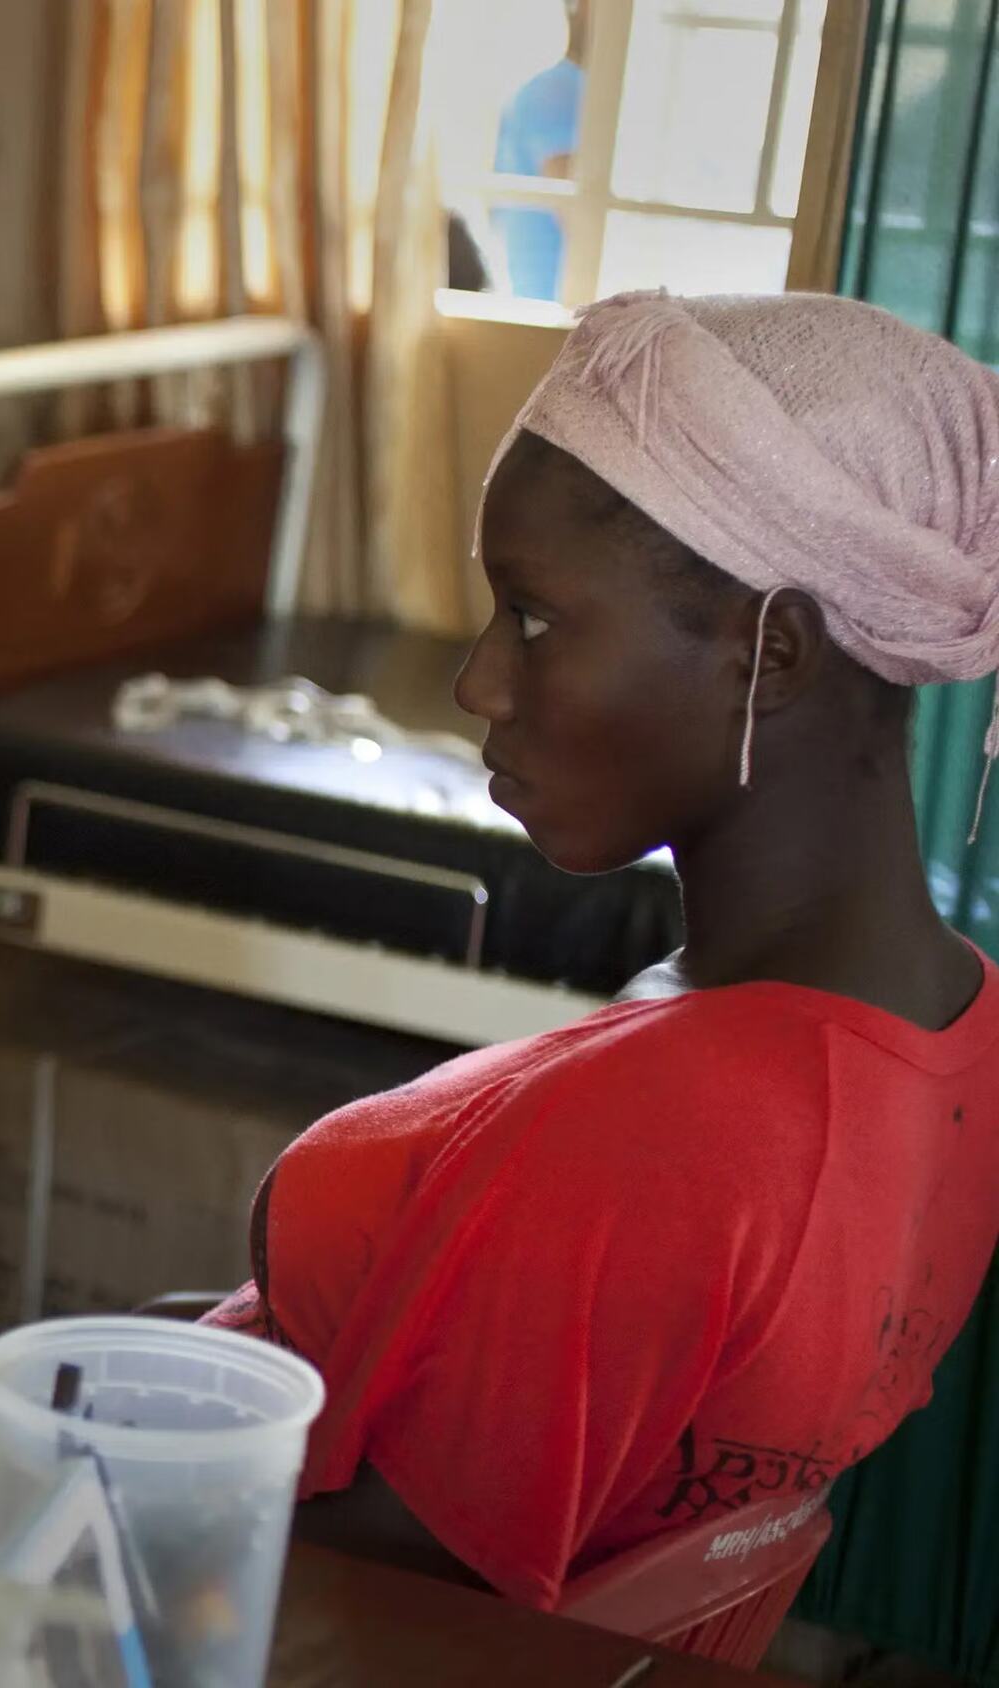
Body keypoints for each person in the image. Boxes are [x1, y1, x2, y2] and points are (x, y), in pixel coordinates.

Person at [208, 290, 999, 1609]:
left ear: (773, 651)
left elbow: (371, 1630)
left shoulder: (654, 1138)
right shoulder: (958, 1034)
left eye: (531, 615)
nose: (477, 683)